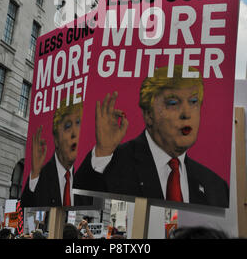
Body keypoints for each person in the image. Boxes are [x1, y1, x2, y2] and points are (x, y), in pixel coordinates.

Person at [74, 65, 229, 208]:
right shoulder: (111, 163)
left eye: (194, 101)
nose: (187, 114)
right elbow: (79, 201)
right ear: (148, 114)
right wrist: (102, 152)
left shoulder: (216, 186)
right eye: (173, 103)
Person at [21, 96, 92, 208]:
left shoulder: (85, 180)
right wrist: (35, 175)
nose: (75, 133)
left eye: (78, 123)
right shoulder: (40, 175)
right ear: (56, 138)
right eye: (68, 126)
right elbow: (27, 205)